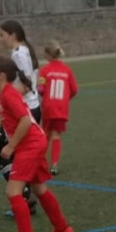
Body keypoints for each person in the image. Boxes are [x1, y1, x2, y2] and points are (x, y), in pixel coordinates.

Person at [0, 55, 74, 232]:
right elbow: (16, 102)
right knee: (39, 188)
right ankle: (62, 228)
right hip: (36, 141)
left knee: (13, 192)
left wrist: (11, 146)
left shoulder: (8, 94)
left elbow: (25, 120)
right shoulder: (7, 92)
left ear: (1, 76)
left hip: (30, 145)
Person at [0, 20, 43, 218]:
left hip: (23, 111)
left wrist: (4, 100)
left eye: (2, 35)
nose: (0, 39)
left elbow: (26, 84)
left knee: (2, 155)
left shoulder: (19, 54)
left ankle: (24, 198)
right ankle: (28, 197)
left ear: (12, 35)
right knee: (22, 160)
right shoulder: (23, 51)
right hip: (29, 108)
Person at [38, 41, 78, 175]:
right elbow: (74, 90)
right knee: (56, 135)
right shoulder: (67, 70)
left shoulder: (44, 70)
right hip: (61, 107)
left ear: (48, 55)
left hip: (48, 107)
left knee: (45, 134)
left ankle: (40, 162)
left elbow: (41, 89)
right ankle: (54, 165)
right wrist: (65, 99)